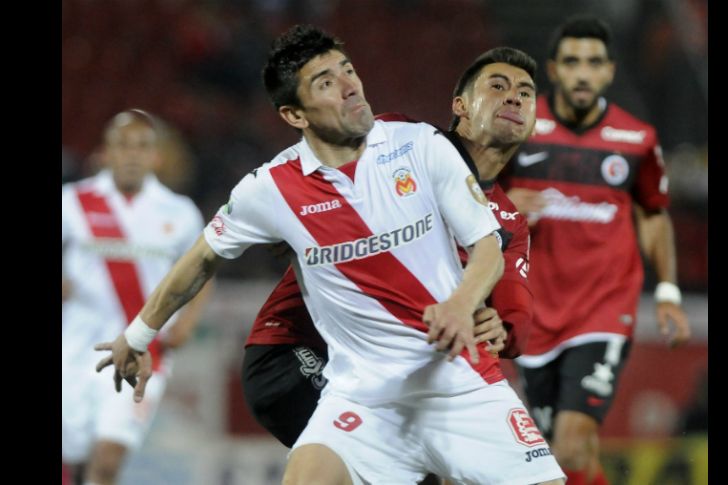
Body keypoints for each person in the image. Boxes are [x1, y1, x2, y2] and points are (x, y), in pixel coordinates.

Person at [95, 25, 565, 485]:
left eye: (348, 70)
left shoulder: (420, 144)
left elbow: (488, 248)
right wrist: (137, 336)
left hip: (458, 385)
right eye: (325, 82)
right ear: (294, 115)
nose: (349, 86)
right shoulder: (271, 189)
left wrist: (462, 305)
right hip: (361, 398)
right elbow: (201, 258)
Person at [241, 47, 540, 455]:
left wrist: (500, 328)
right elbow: (319, 153)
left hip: (386, 372)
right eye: (498, 86)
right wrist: (289, 211)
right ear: (461, 106)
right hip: (295, 349)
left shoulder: (508, 223)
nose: (514, 98)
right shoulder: (402, 144)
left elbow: (516, 317)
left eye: (525, 93)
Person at [501, 16, 692, 485]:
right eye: (572, 62)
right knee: (559, 456)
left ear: (609, 71)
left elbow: (653, 215)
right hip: (536, 312)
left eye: (593, 63)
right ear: (553, 69)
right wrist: (503, 205)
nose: (582, 73)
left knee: (571, 442)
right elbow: (473, 196)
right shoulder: (518, 129)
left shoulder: (636, 139)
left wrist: (668, 291)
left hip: (603, 307)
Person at [62, 109, 211, 485]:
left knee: (108, 459)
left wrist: (187, 324)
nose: (132, 155)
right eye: (123, 145)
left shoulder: (179, 212)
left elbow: (203, 271)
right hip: (73, 349)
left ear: (156, 156)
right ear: (105, 153)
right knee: (74, 459)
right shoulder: (72, 202)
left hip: (142, 351)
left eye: (142, 146)